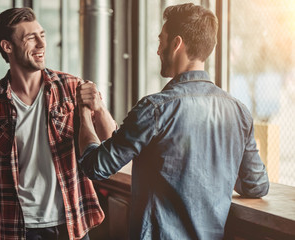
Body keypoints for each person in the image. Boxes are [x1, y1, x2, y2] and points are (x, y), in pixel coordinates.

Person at [77, 3, 269, 240]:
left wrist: (84, 114)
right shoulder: (239, 111)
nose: (158, 50)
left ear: (176, 44)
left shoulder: (156, 109)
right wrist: (220, 168)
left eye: (161, 40)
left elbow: (95, 166)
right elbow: (257, 186)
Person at [0, 7, 116, 240]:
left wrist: (98, 107)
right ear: (7, 47)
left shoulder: (71, 87)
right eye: (30, 38)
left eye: (42, 35)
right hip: (17, 228)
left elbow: (110, 141)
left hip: (70, 222)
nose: (41, 44)